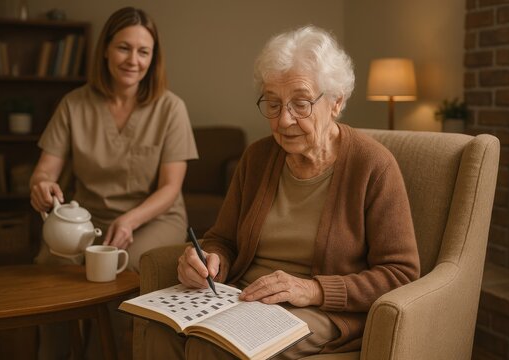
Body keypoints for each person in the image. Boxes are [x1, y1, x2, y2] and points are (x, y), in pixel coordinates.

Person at [144, 25, 420, 359]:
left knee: (210, 348)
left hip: (318, 311)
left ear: (336, 102)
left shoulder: (373, 165)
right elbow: (223, 239)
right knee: (159, 331)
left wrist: (313, 289)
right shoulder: (258, 157)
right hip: (243, 299)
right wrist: (211, 261)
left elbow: (400, 273)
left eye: (300, 103)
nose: (284, 120)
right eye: (272, 104)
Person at [29, 7, 197, 359]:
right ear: (105, 49)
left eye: (143, 51)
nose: (132, 60)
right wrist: (42, 186)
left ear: (153, 58)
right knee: (49, 271)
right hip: (90, 219)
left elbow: (170, 188)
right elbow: (45, 171)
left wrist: (131, 219)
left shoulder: (171, 108)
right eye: (123, 47)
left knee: (116, 269)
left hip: (154, 218)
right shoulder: (73, 104)